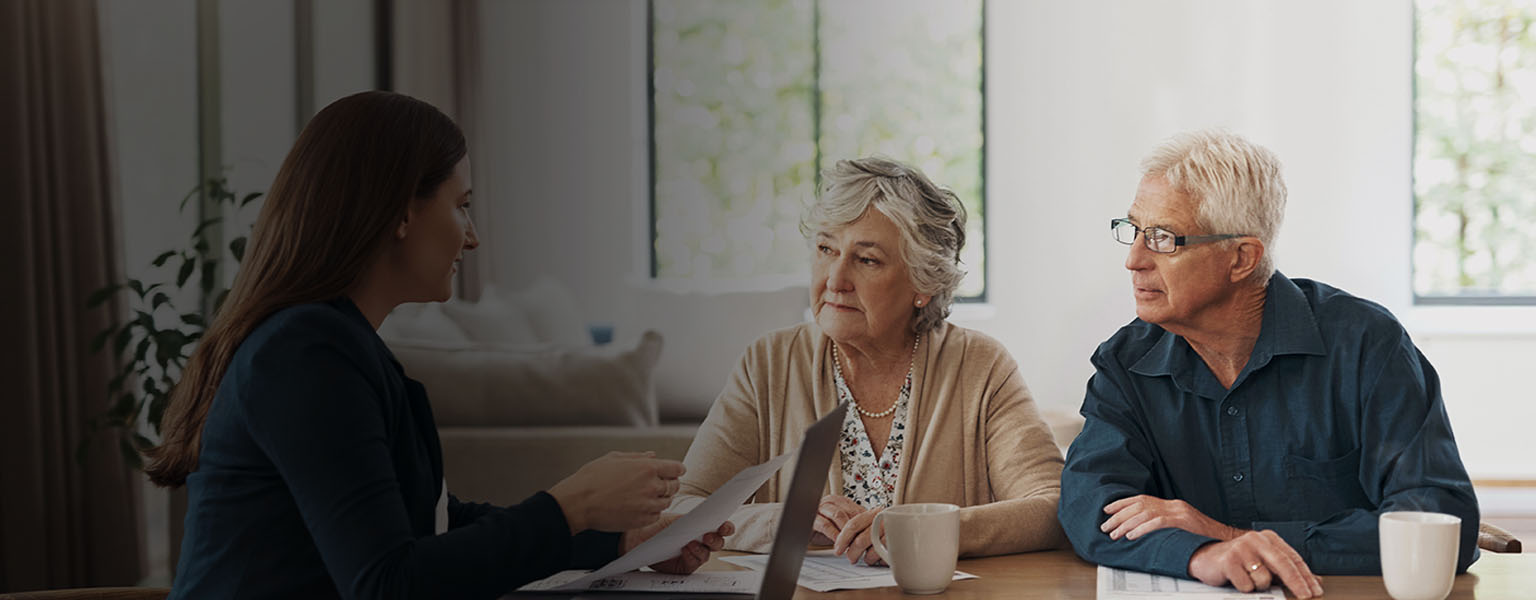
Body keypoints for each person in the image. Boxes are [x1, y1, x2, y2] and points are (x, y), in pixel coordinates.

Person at [144, 91, 729, 599]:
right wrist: (569, 505)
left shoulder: (339, 346)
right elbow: (390, 583)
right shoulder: (306, 354)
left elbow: (437, 524)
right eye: (461, 205)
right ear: (402, 212)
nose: (472, 237)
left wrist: (617, 541)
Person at [1058, 130, 1479, 599]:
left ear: (1241, 258)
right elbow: (1089, 506)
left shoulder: (1366, 344)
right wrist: (1201, 554)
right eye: (1134, 231)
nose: (1134, 260)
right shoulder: (1126, 363)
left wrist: (1233, 538)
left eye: (1162, 238)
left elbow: (1442, 520)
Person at [673, 157, 1067, 565]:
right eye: (826, 249)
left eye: (867, 260)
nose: (835, 279)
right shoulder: (768, 363)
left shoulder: (980, 366)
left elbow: (1052, 508)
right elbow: (680, 509)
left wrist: (927, 530)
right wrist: (785, 520)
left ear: (923, 284)